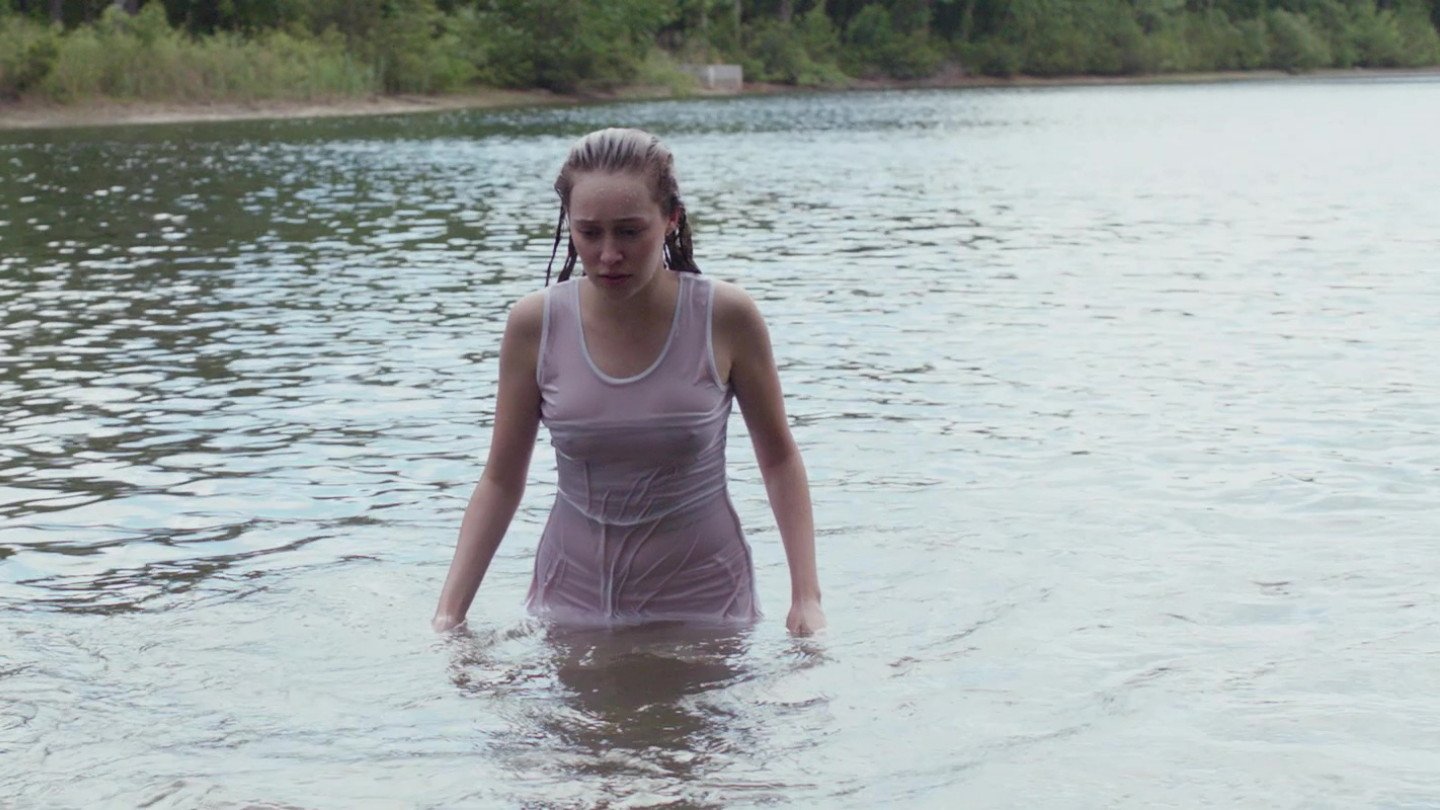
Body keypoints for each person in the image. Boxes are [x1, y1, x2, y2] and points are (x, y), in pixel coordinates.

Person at [432, 128, 824, 636]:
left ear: (670, 220)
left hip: (705, 608)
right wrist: (450, 614)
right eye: (589, 233)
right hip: (570, 604)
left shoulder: (725, 316)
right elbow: (501, 480)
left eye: (630, 232)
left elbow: (779, 460)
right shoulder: (535, 324)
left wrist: (806, 598)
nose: (609, 254)